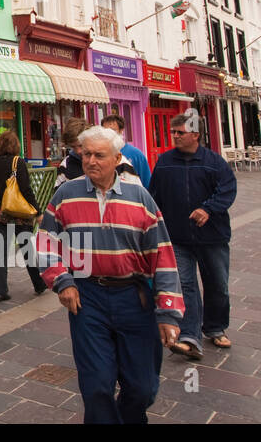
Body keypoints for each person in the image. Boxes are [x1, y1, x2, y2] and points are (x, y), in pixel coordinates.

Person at [35, 125, 184, 424]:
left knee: (142, 387)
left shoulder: (139, 197)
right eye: (86, 154)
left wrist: (168, 312)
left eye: (99, 155)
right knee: (97, 386)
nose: (91, 161)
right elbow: (45, 242)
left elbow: (163, 254)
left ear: (117, 159)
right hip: (88, 299)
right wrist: (62, 281)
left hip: (135, 298)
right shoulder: (66, 193)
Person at [147, 109, 238, 360]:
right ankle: (189, 336)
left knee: (217, 285)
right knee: (185, 286)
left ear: (195, 135)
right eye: (172, 132)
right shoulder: (165, 162)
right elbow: (154, 195)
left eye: (180, 132)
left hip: (212, 237)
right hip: (177, 237)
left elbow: (227, 190)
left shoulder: (214, 162)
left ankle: (215, 327)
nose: (175, 136)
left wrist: (208, 209)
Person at [0, 130, 47, 302]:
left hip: (0, 211)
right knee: (27, 248)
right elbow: (26, 189)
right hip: (19, 212)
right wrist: (37, 211)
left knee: (1, 251)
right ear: (16, 145)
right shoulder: (17, 162)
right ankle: (39, 283)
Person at [102, 114, 151, 189]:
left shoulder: (136, 155)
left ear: (121, 130)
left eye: (112, 130)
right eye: (105, 131)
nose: (108, 134)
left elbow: (147, 184)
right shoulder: (98, 155)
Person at [54, 116, 89, 188]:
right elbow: (59, 194)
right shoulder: (66, 165)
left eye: (81, 145)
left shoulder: (108, 160)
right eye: (73, 147)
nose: (78, 151)